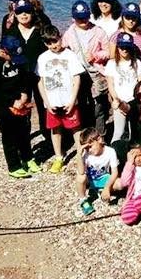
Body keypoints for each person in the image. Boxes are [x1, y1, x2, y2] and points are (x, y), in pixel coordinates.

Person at [0, 35, 38, 178]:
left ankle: (28, 159)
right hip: (3, 106)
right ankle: (14, 166)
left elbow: (24, 77)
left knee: (24, 132)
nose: (14, 60)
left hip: (20, 101)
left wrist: (24, 93)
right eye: (12, 57)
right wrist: (12, 103)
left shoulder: (17, 59)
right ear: (3, 51)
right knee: (9, 136)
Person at [36, 25, 83, 174]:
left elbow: (77, 78)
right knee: (55, 129)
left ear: (60, 37)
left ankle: (81, 155)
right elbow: (40, 81)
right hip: (52, 102)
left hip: (69, 100)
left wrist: (72, 100)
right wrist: (47, 103)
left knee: (76, 128)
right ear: (45, 43)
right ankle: (58, 157)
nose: (53, 45)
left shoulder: (70, 55)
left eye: (55, 41)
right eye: (49, 43)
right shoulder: (43, 58)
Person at [7, 0, 51, 151]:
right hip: (20, 78)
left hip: (40, 76)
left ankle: (48, 137)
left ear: (33, 13)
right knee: (23, 109)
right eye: (20, 12)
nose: (24, 15)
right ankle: (24, 141)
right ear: (15, 14)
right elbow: (7, 56)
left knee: (44, 106)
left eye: (27, 11)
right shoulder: (12, 32)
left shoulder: (40, 30)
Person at [62, 0, 111, 136]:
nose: (83, 20)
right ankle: (85, 135)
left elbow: (108, 52)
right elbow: (63, 51)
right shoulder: (69, 33)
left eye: (85, 17)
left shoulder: (98, 31)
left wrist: (95, 55)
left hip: (96, 73)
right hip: (79, 74)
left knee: (99, 106)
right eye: (79, 18)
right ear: (73, 18)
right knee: (82, 104)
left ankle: (100, 134)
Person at [104, 32, 141, 144]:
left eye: (127, 47)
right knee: (118, 132)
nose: (124, 50)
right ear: (117, 48)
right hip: (119, 101)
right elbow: (110, 84)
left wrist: (140, 100)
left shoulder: (136, 62)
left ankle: (134, 150)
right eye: (122, 47)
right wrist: (116, 99)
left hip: (134, 101)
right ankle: (115, 151)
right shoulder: (111, 64)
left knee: (134, 130)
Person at [74, 128, 119, 216]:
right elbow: (81, 172)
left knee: (119, 183)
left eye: (90, 147)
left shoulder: (110, 151)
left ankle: (101, 190)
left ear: (99, 139)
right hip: (90, 180)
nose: (89, 150)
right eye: (86, 148)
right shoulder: (86, 154)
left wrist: (107, 188)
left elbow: (115, 172)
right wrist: (79, 155)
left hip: (103, 177)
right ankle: (83, 200)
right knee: (80, 177)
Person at [112, 4, 141, 76]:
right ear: (122, 17)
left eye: (134, 18)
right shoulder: (115, 36)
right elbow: (113, 58)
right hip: (125, 74)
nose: (131, 21)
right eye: (127, 17)